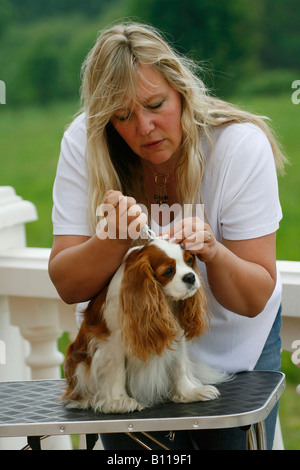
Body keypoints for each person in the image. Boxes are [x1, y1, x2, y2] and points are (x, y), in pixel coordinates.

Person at [49, 22, 286, 450]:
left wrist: (212, 251)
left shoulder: (237, 147)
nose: (145, 128)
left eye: (156, 104)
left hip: (236, 355)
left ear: (181, 90)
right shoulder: (83, 143)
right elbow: (67, 284)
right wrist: (114, 240)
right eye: (122, 116)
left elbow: (254, 299)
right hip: (128, 359)